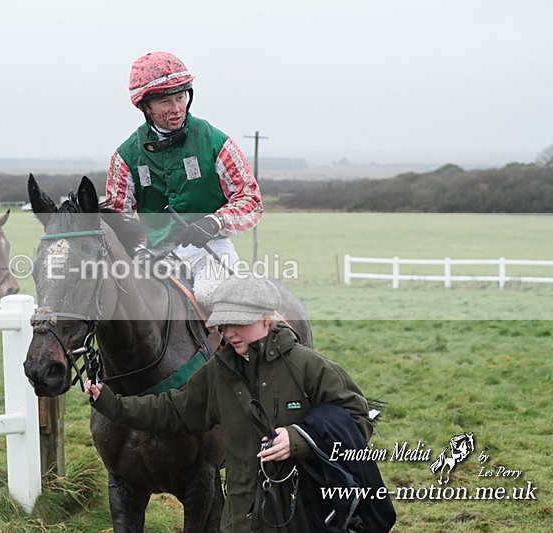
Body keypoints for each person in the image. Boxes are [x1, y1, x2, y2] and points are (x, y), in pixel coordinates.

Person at [85, 276, 392, 531]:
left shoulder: (308, 367)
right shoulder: (218, 371)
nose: (228, 332)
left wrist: (299, 439)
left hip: (303, 514)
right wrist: (110, 404)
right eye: (223, 324)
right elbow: (172, 411)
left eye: (238, 323)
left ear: (266, 319)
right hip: (240, 518)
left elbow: (356, 418)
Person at [105, 51, 263, 310]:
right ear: (145, 107)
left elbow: (250, 199)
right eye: (166, 102)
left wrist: (214, 222)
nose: (177, 108)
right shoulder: (124, 156)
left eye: (181, 97)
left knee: (210, 296)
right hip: (153, 255)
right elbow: (116, 218)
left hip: (210, 250)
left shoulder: (215, 141)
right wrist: (139, 248)